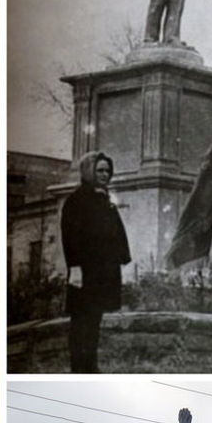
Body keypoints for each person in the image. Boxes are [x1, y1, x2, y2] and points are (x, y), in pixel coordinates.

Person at [60, 151, 131, 372]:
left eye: (108, 171)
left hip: (102, 272)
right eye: (100, 170)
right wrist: (75, 267)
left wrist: (120, 256)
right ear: (88, 171)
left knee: (94, 321)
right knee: (82, 322)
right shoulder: (77, 200)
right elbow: (70, 236)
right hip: (85, 272)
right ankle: (80, 368)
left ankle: (90, 367)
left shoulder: (103, 198)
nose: (105, 175)